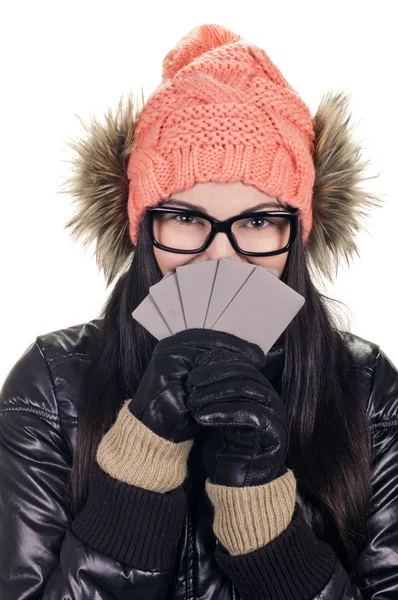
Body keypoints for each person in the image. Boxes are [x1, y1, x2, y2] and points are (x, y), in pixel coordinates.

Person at [0, 23, 397, 600]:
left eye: (258, 222)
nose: (220, 255)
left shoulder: (367, 394)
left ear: (298, 237)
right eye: (186, 218)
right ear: (142, 228)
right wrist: (140, 464)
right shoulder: (51, 387)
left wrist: (264, 520)